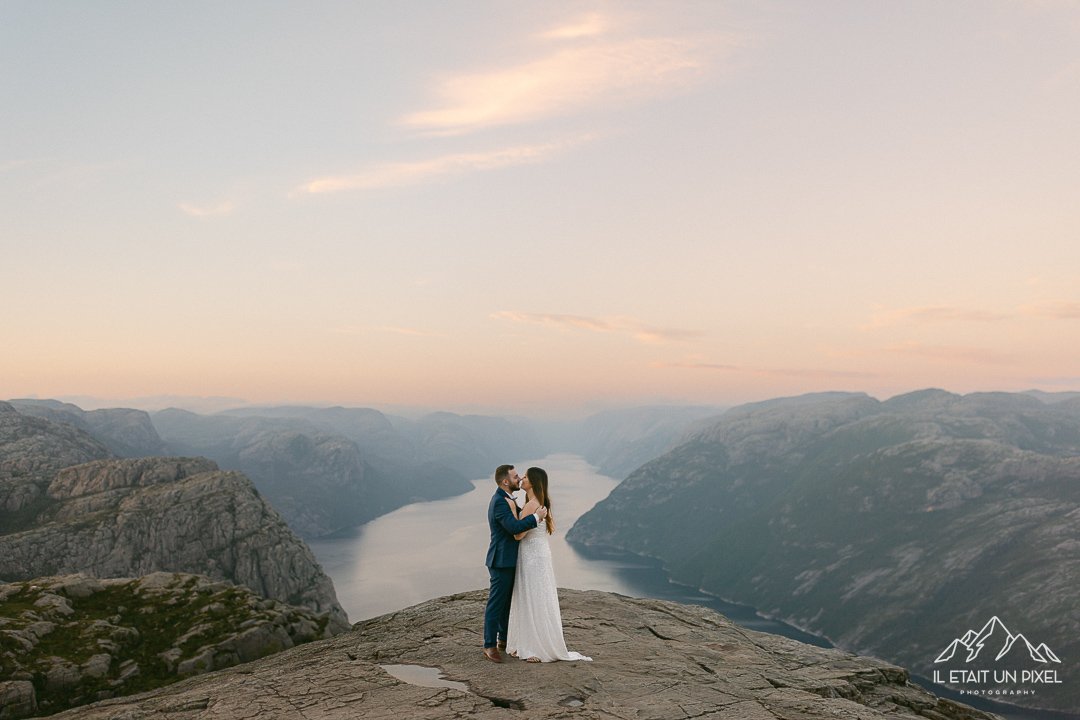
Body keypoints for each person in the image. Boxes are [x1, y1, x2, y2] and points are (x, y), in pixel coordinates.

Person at [505, 466, 592, 663]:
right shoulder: (542, 503)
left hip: (530, 556)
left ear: (533, 482)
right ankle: (538, 642)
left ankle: (532, 647)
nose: (522, 479)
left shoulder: (530, 505)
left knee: (530, 596)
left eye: (525, 477)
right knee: (541, 596)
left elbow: (518, 535)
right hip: (541, 554)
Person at [483, 464, 547, 663]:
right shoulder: (500, 502)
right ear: (505, 481)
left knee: (507, 603)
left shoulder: (509, 499)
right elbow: (513, 528)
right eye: (515, 476)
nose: (519, 479)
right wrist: (537, 517)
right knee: (496, 604)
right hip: (501, 560)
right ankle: (489, 645)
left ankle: (503, 639)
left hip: (511, 559)